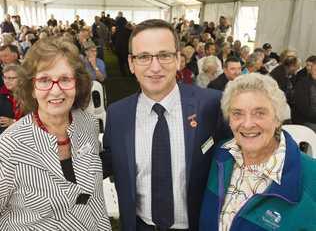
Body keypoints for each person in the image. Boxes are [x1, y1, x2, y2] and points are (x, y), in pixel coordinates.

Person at [102, 19, 230, 231]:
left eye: (164, 55)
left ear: (179, 59)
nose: (155, 67)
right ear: (131, 63)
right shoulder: (118, 114)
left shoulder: (212, 104)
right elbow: (109, 161)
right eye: (144, 57)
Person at [0, 36, 111, 230]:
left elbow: (95, 198)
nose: (56, 90)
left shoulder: (88, 124)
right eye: (44, 80)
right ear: (32, 88)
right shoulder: (11, 144)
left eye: (65, 79)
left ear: (77, 84)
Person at [200, 73, 316, 231]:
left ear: (277, 118)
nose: (247, 124)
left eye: (260, 113)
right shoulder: (220, 155)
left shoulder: (311, 179)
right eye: (237, 113)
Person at [293, 58, 316, 132]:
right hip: (307, 121)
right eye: (315, 70)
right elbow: (304, 108)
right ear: (311, 70)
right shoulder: (302, 83)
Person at [0, 64, 23, 134]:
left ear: (21, 79)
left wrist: (14, 122)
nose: (6, 81)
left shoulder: (29, 95)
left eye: (11, 78)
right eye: (5, 77)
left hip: (25, 133)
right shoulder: (2, 93)